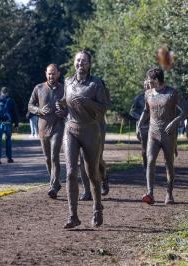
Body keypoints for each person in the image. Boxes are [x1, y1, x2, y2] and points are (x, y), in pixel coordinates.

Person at [56, 50, 111, 229]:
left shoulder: (96, 83)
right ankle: (73, 216)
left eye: (84, 61)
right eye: (78, 60)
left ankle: (97, 208)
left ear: (89, 64)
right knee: (71, 172)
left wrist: (87, 103)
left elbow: (104, 108)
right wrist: (61, 104)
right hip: (70, 129)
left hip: (90, 130)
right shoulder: (67, 81)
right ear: (74, 63)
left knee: (92, 173)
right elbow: (66, 99)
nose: (81, 64)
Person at [137, 68, 188, 205]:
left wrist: (174, 122)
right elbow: (146, 111)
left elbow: (186, 110)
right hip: (152, 133)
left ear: (157, 80)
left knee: (168, 163)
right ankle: (150, 193)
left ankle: (169, 194)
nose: (147, 81)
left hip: (168, 134)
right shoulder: (148, 93)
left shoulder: (172, 93)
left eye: (149, 79)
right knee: (150, 160)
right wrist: (139, 124)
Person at [28, 64, 67, 199]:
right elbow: (30, 105)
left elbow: (71, 107)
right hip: (43, 127)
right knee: (47, 158)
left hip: (58, 126)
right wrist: (38, 110)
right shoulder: (38, 88)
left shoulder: (64, 88)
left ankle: (52, 187)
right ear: (46, 74)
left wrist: (64, 112)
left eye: (54, 73)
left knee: (54, 156)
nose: (51, 76)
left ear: (58, 74)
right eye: (49, 73)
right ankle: (56, 183)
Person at [79, 77, 111, 201]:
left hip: (98, 127)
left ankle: (104, 177)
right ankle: (87, 191)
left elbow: (106, 106)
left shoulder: (103, 91)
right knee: (82, 159)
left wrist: (89, 103)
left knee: (97, 159)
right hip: (82, 126)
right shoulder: (80, 89)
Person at [0, 87, 19, 164]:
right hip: (7, 123)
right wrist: (16, 124)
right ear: (7, 93)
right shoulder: (11, 101)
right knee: (8, 140)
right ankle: (9, 158)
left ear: (0, 92)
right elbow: (15, 113)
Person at [129, 81, 150, 170]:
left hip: (155, 125)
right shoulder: (139, 98)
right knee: (145, 147)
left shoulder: (157, 96)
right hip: (143, 126)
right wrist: (141, 118)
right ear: (143, 86)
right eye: (145, 85)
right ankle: (146, 166)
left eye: (148, 84)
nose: (147, 86)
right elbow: (132, 111)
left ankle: (151, 164)